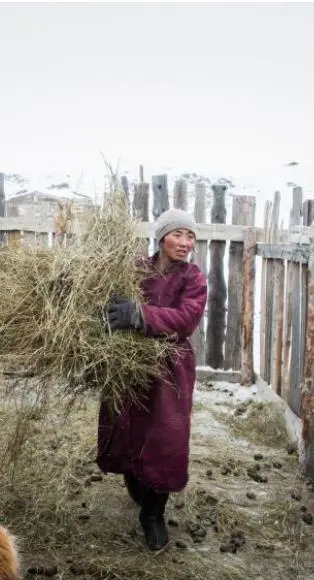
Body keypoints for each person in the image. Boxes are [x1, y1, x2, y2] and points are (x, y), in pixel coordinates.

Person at [97, 207, 208, 552]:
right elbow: (108, 300)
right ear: (161, 237)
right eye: (178, 234)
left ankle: (153, 513)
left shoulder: (193, 278)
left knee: (166, 438)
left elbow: (186, 319)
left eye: (190, 236)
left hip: (169, 368)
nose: (185, 242)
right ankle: (137, 483)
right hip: (130, 364)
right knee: (127, 426)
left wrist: (140, 315)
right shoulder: (135, 270)